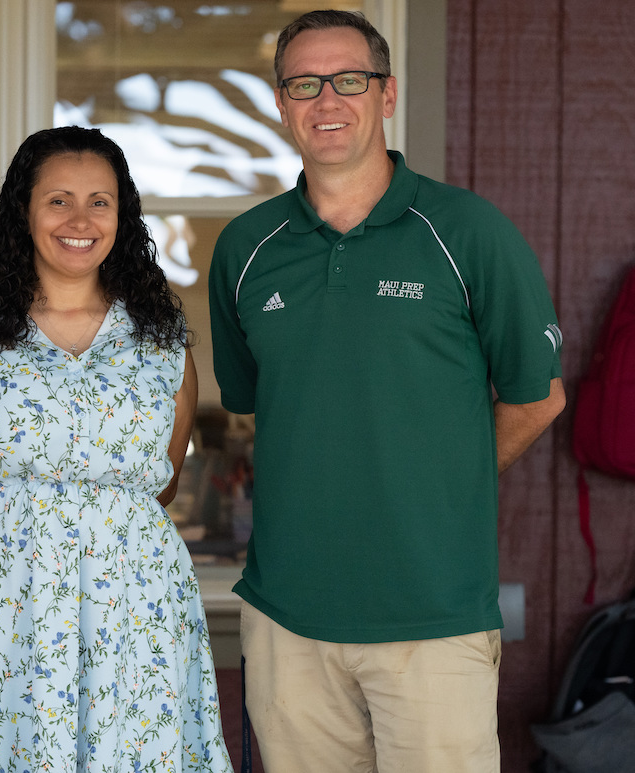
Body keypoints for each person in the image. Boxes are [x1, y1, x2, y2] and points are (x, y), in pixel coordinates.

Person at [208, 10, 566, 773]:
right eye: (304, 83)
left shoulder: (467, 231)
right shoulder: (246, 247)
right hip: (288, 617)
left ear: (388, 93)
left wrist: (438, 481)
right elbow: (251, 396)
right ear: (281, 103)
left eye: (349, 80)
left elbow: (538, 396)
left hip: (430, 614)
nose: (326, 100)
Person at [0, 126, 234, 772]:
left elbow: (155, 485)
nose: (81, 219)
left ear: (122, 216)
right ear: (24, 209)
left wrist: (92, 539)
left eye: (100, 201)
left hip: (131, 610)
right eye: (59, 200)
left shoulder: (162, 343)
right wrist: (17, 553)